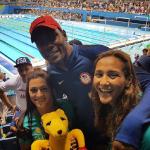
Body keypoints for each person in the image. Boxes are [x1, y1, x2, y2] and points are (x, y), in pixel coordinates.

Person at [29, 15, 109, 149]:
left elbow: (140, 80)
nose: (48, 45)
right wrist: (25, 114)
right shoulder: (51, 75)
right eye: (41, 43)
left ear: (64, 35)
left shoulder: (95, 53)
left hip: (115, 133)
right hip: (83, 140)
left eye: (52, 37)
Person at [91, 50, 140, 149]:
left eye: (113, 75)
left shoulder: (139, 121)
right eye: (99, 75)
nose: (103, 82)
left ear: (128, 80)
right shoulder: (107, 107)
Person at [0, 57, 33, 127]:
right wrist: (10, 107)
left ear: (32, 67)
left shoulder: (40, 78)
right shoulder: (15, 80)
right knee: (15, 130)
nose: (24, 73)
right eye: (20, 70)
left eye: (26, 69)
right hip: (21, 113)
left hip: (37, 112)